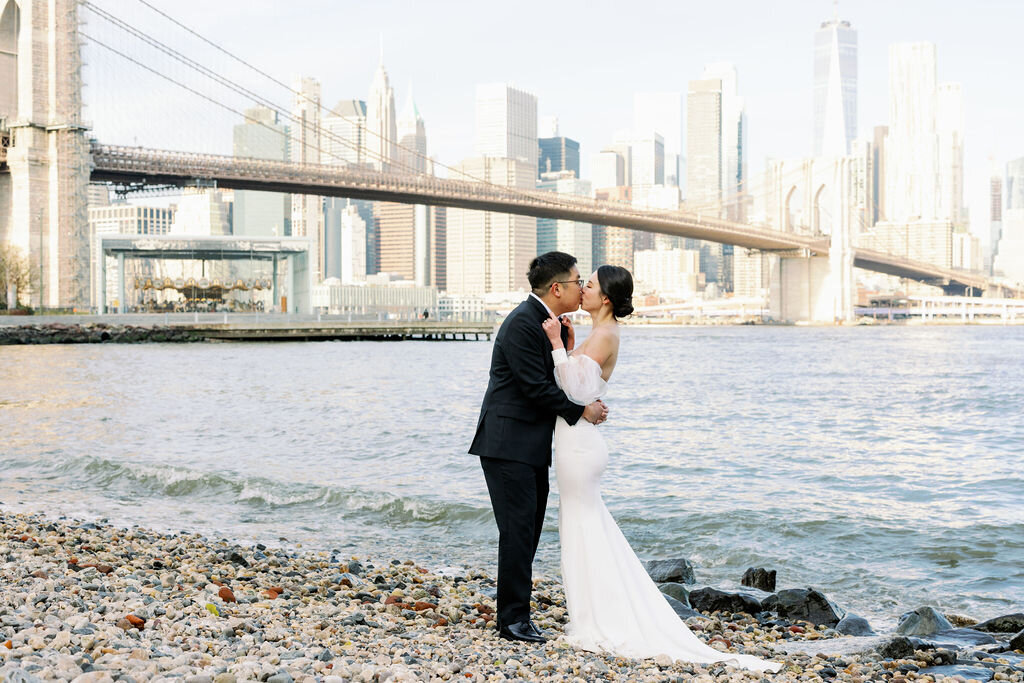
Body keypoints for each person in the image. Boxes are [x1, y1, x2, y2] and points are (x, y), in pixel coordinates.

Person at [540, 265, 781, 672]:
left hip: (579, 447)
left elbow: (575, 391)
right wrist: (567, 343)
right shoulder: (599, 333)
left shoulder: (606, 333)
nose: (583, 289)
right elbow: (581, 382)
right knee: (583, 528)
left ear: (607, 299)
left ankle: (597, 618)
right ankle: (593, 610)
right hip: (576, 443)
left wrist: (555, 346)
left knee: (583, 528)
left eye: (591, 285)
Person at [469, 251, 609, 644]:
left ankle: (517, 615)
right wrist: (581, 411)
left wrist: (563, 345)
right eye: (578, 280)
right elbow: (535, 387)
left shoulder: (542, 323)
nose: (582, 287)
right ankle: (512, 621)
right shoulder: (521, 323)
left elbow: (548, 379)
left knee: (526, 530)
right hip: (507, 443)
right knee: (518, 531)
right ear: (557, 288)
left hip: (526, 445)